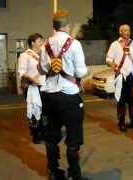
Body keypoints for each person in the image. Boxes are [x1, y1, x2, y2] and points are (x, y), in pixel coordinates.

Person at [38, 10, 88, 180]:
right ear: (67, 26)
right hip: (69, 97)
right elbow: (81, 71)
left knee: (51, 138)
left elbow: (42, 69)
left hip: (49, 96)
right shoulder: (74, 45)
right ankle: (75, 175)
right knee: (73, 140)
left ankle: (54, 172)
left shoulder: (45, 45)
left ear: (54, 26)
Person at [17, 33, 46, 144]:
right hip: (31, 87)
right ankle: (36, 135)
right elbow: (21, 72)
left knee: (43, 111)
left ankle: (43, 132)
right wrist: (32, 79)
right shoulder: (25, 55)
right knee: (33, 111)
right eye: (39, 41)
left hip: (43, 86)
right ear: (33, 43)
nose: (41, 43)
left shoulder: (41, 55)